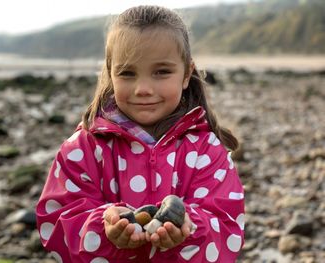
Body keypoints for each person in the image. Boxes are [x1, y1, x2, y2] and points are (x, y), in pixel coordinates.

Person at [36, 5, 244, 263]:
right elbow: (56, 221)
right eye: (127, 73)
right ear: (111, 74)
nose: (143, 89)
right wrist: (104, 229)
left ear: (186, 74)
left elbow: (227, 226)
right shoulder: (84, 148)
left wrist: (188, 228)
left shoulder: (207, 150)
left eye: (162, 72)